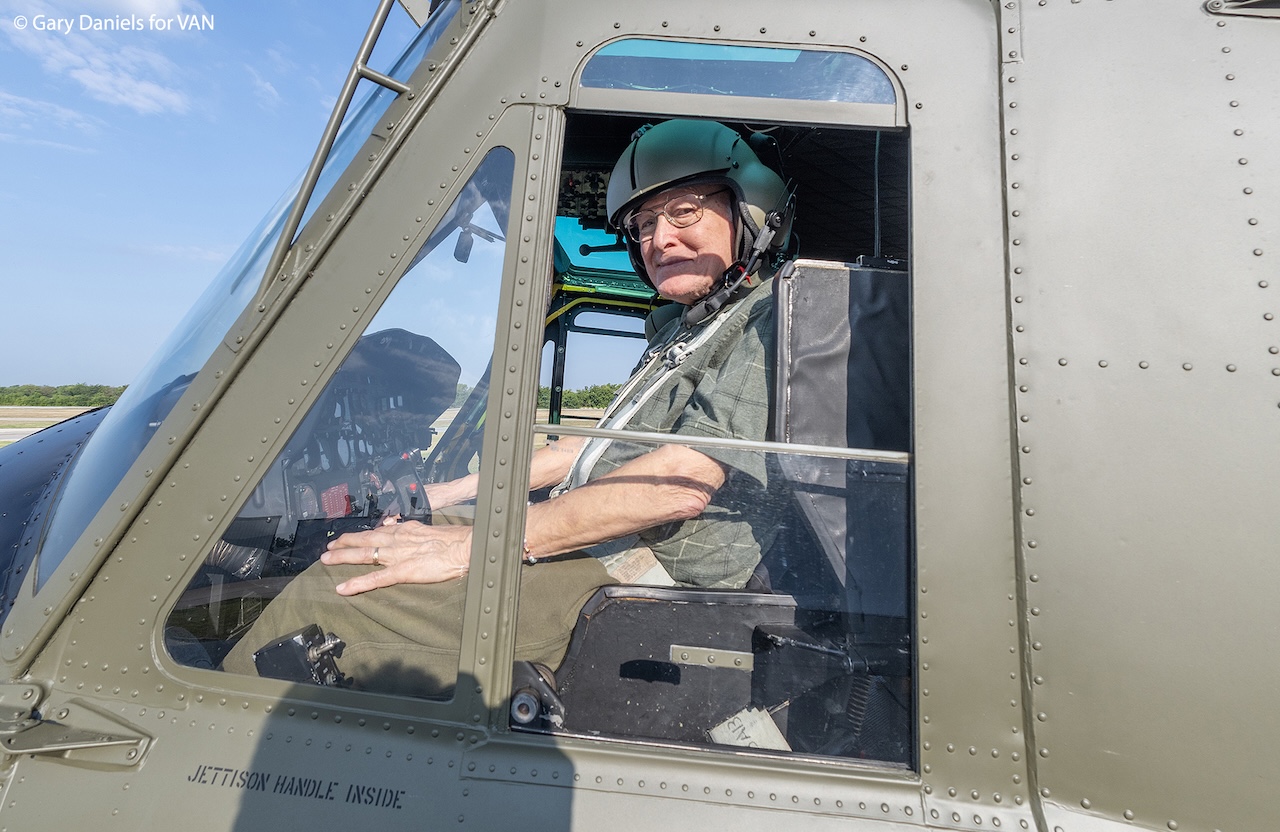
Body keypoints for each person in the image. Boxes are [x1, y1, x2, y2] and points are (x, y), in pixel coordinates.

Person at [221, 119, 794, 696]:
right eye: (644, 223)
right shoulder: (685, 329)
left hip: (658, 581)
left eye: (684, 212)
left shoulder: (770, 317)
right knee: (390, 537)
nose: (659, 239)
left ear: (751, 211)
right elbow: (588, 451)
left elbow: (678, 486)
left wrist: (478, 546)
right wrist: (443, 495)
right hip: (612, 542)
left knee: (332, 594)